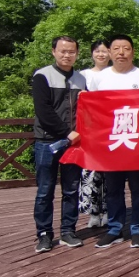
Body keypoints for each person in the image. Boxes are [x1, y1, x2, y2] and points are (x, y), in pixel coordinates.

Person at [88, 34, 139, 249]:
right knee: (113, 188)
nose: (121, 53)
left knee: (138, 188)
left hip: (136, 141)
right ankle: (114, 228)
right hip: (110, 142)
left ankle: (137, 228)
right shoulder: (99, 78)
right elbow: (91, 110)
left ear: (133, 52)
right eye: (116, 48)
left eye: (126, 48)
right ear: (109, 52)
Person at [31, 36, 87, 253]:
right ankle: (44, 234)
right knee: (45, 190)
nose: (67, 55)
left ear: (77, 54)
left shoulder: (80, 79)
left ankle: (68, 231)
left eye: (71, 51)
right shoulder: (42, 76)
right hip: (48, 141)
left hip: (74, 142)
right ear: (53, 51)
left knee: (71, 189)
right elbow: (43, 111)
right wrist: (66, 132)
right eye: (63, 51)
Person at [78, 40, 110, 229]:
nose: (101, 55)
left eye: (105, 51)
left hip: (110, 129)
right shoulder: (83, 75)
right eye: (97, 51)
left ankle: (108, 210)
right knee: (90, 172)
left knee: (109, 172)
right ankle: (93, 212)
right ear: (91, 54)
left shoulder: (115, 74)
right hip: (90, 130)